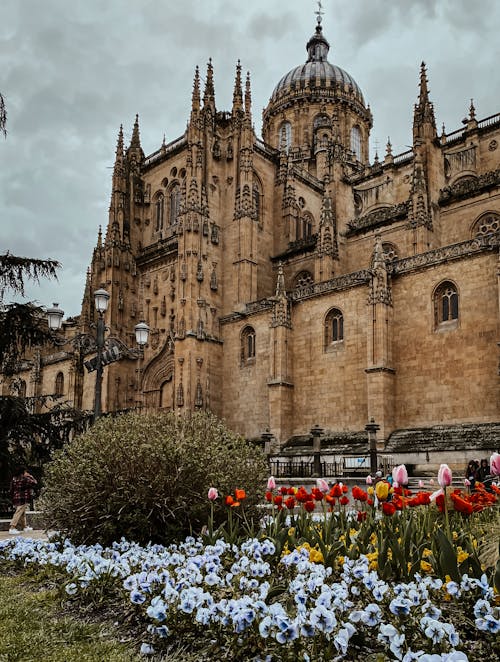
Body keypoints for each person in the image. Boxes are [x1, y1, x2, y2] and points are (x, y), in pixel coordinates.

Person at [8, 467, 37, 534]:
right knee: (19, 512)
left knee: (22, 513)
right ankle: (12, 528)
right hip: (23, 498)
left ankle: (25, 527)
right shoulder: (25, 479)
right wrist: (30, 476)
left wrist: (13, 497)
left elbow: (11, 489)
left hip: (16, 497)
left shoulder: (14, 479)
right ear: (23, 472)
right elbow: (34, 483)